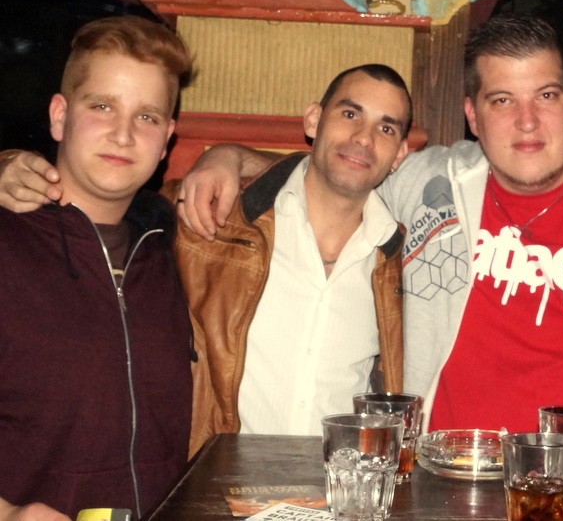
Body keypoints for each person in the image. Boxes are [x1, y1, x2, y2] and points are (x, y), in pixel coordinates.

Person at [95, 15, 563, 443]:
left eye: (545, 96)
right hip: (446, 481)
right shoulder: (429, 181)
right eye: (502, 100)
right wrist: (229, 156)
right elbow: (341, 164)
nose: (526, 121)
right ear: (472, 115)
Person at [0, 64, 412, 454]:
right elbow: (100, 195)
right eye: (350, 114)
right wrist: (8, 166)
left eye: (386, 127)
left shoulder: (399, 259)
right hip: (215, 487)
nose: (363, 138)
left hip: (337, 492)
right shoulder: (211, 214)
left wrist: (231, 152)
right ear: (313, 120)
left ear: (398, 154)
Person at [0, 16, 193, 521]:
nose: (123, 134)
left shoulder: (178, 248)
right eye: (102, 106)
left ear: (167, 139)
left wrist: (229, 156)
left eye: (147, 116)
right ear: (59, 116)